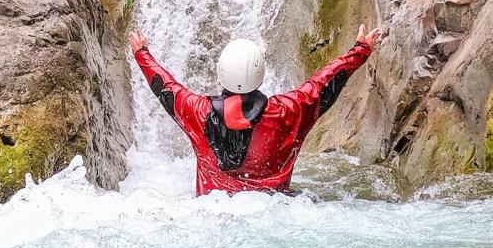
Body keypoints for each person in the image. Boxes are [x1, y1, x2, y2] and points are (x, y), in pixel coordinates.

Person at [128, 25, 382, 196]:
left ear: (221, 72)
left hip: (210, 220)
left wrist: (142, 53)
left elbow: (166, 88)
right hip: (274, 216)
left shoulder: (197, 111)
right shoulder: (288, 112)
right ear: (261, 74)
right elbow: (323, 85)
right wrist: (360, 50)